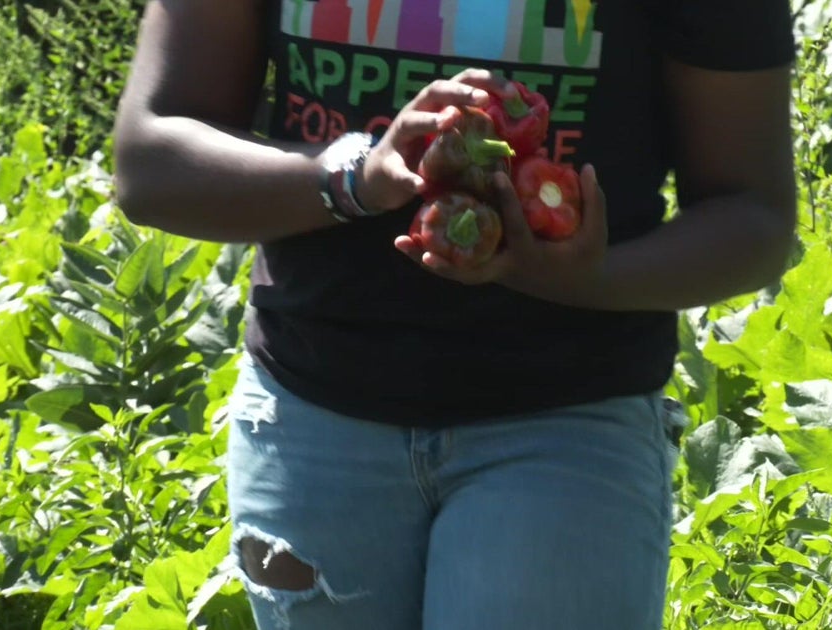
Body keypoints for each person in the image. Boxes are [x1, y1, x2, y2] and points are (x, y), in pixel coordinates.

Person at [111, 1, 796, 628]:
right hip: (315, 420)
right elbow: (151, 160)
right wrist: (353, 178)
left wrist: (592, 279)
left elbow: (752, 214)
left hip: (567, 426)